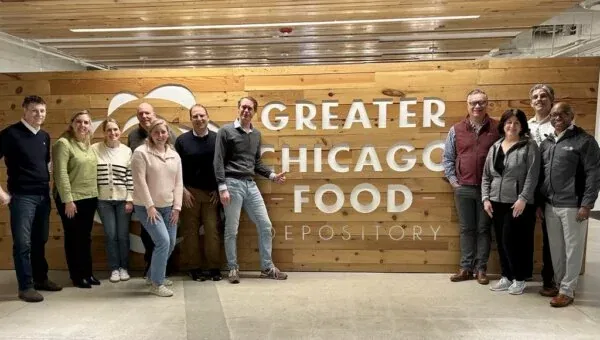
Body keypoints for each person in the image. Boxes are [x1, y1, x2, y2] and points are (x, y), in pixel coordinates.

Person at [214, 96, 288, 284]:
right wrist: (222, 187)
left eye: (250, 108)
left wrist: (272, 176)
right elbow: (218, 161)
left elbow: (255, 163)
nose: (246, 111)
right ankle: (232, 268)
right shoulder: (225, 131)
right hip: (231, 184)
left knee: (265, 225)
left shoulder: (256, 135)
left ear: (254, 112)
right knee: (232, 229)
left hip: (250, 184)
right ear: (238, 109)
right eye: (243, 107)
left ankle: (267, 268)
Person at [0, 95, 62, 302]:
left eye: (42, 111)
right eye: (34, 110)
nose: (39, 115)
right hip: (22, 197)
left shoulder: (44, 135)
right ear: (24, 111)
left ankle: (40, 279)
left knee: (40, 240)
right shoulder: (10, 134)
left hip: (43, 196)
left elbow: (44, 166)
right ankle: (25, 287)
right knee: (23, 243)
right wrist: (1, 193)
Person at [538, 102, 600, 307]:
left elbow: (593, 174)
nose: (558, 117)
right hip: (550, 205)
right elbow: (541, 175)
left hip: (573, 205)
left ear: (571, 116)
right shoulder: (546, 143)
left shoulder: (585, 141)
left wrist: (587, 204)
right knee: (556, 248)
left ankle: (567, 290)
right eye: (554, 114)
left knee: (573, 249)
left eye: (563, 113)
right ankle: (559, 284)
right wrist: (539, 202)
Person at [443, 89, 499, 284]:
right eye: (473, 103)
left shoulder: (498, 128)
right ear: (467, 105)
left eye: (481, 102)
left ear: (487, 104)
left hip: (488, 190)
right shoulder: (456, 129)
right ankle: (466, 268)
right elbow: (448, 158)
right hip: (464, 188)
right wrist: (454, 182)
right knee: (467, 229)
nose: (477, 106)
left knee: (484, 229)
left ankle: (481, 269)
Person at [482, 109, 540, 295]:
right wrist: (485, 198)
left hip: (518, 203)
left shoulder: (529, 146)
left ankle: (520, 278)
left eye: (516, 123)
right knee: (500, 240)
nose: (512, 126)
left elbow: (532, 175)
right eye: (508, 122)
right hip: (496, 202)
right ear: (503, 124)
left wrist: (523, 198)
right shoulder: (496, 146)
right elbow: (486, 176)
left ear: (522, 125)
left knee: (515, 241)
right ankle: (506, 276)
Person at [131, 119, 183, 297]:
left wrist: (177, 207)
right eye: (156, 132)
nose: (160, 136)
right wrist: (150, 206)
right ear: (150, 134)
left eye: (163, 132)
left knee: (169, 245)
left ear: (168, 133)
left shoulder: (174, 155)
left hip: (169, 207)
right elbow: (140, 183)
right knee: (163, 242)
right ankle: (157, 284)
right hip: (146, 207)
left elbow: (178, 182)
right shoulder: (141, 153)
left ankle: (153, 275)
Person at [127, 102, 177, 278]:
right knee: (155, 239)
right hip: (147, 202)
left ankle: (157, 274)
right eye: (140, 114)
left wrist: (177, 204)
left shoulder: (172, 148)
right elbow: (138, 178)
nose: (144, 116)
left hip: (166, 201)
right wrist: (148, 205)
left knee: (167, 241)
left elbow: (176, 175)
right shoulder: (138, 146)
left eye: (147, 113)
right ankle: (155, 277)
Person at [53, 110, 99, 289]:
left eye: (86, 122)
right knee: (73, 238)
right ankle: (77, 276)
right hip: (71, 200)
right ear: (72, 123)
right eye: (78, 122)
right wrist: (68, 200)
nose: (82, 125)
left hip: (89, 197)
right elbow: (60, 174)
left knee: (85, 237)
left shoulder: (88, 144)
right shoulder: (63, 144)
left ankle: (87, 273)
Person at [175, 104, 222, 281]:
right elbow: (176, 168)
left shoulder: (218, 139)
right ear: (191, 119)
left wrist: (219, 188)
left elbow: (223, 166)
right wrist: (183, 190)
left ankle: (214, 268)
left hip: (212, 194)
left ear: (208, 117)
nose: (199, 119)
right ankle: (194, 267)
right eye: (195, 116)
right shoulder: (182, 141)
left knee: (212, 231)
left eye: (202, 115)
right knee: (190, 232)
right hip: (190, 194)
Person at [92, 118, 134, 283]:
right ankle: (114, 268)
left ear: (120, 131)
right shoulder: (95, 149)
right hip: (103, 200)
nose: (113, 133)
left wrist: (130, 199)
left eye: (115, 129)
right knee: (110, 235)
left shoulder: (126, 151)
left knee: (123, 235)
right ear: (104, 132)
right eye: (109, 130)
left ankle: (124, 268)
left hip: (123, 199)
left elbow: (130, 176)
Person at [527, 84, 557, 296]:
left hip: (550, 188)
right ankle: (522, 274)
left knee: (550, 238)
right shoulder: (525, 125)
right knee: (523, 233)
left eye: (544, 96)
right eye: (535, 97)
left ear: (551, 100)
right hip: (527, 188)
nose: (539, 99)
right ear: (531, 102)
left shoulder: (559, 125)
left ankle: (549, 280)